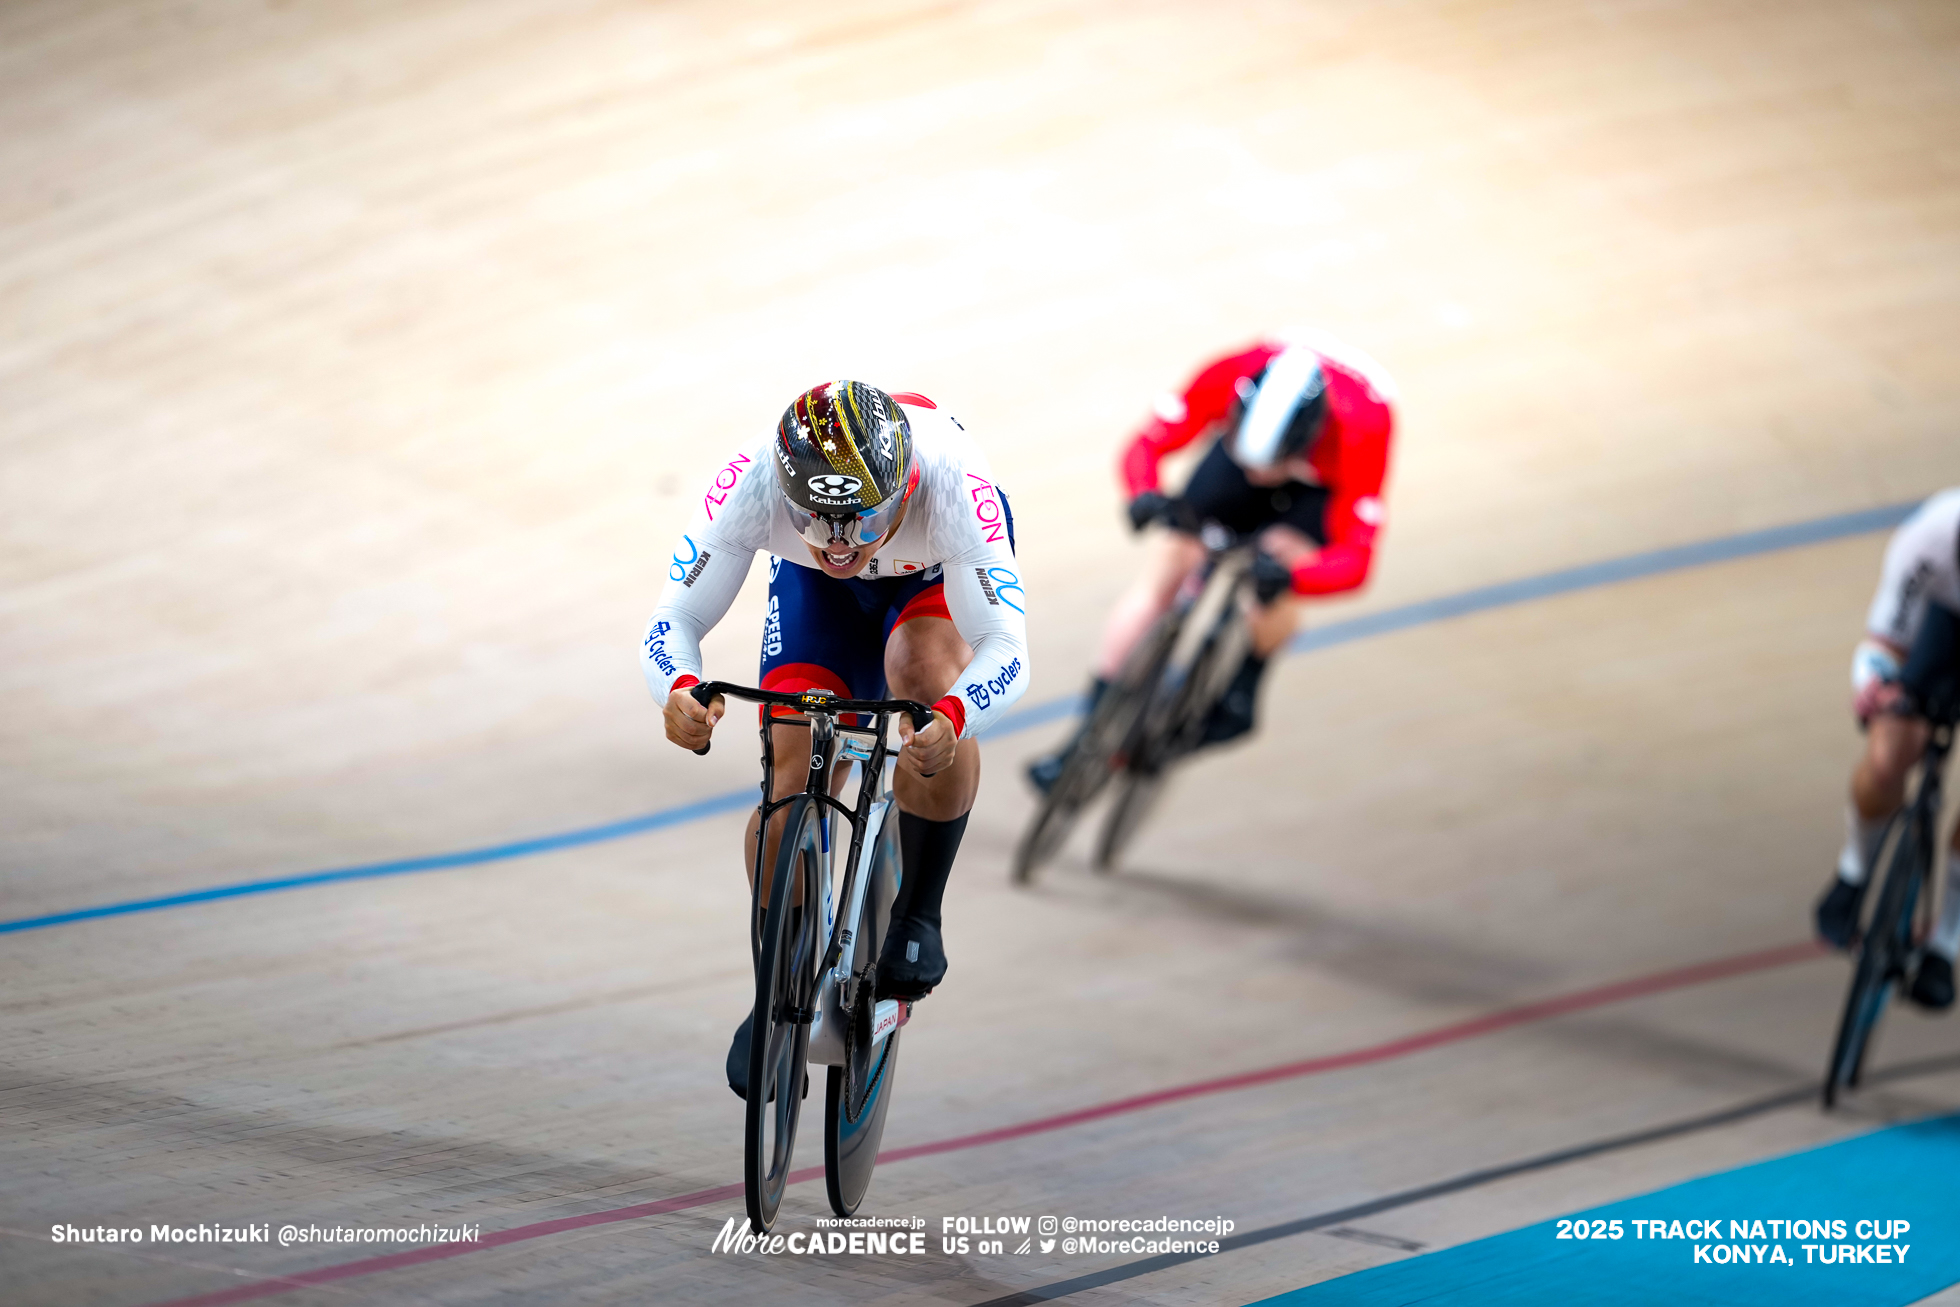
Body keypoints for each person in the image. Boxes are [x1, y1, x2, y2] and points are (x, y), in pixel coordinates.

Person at [643, 381, 1028, 1098]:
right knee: (790, 779)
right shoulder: (755, 479)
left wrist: (952, 712)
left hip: (932, 581)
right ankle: (775, 994)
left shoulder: (954, 484)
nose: (841, 542)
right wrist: (677, 689)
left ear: (904, 486)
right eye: (817, 520)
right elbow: (674, 617)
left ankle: (918, 909)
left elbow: (1007, 646)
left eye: (861, 519)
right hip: (813, 593)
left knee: (919, 677)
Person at [1026, 332, 1393, 792]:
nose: (1259, 474)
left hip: (1317, 488)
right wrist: (1145, 496)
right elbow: (1147, 444)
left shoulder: (1363, 427)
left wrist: (1293, 576)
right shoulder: (1227, 375)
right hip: (1236, 460)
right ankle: (1081, 738)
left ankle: (1242, 690)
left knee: (1277, 566)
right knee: (1171, 560)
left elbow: (1356, 560)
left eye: (1271, 463)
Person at [1815, 488, 1960, 1010]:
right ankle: (1854, 872)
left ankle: (1945, 943)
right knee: (1888, 755)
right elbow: (1884, 643)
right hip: (1942, 624)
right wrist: (1875, 685)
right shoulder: (1930, 538)